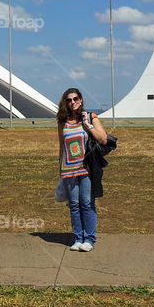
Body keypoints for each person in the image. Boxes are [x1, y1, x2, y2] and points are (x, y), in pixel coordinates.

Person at [57, 88, 107, 252]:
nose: (72, 102)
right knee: (74, 205)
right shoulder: (62, 122)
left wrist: (87, 125)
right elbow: (62, 146)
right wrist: (60, 169)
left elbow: (103, 139)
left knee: (86, 203)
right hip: (68, 169)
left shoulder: (91, 116)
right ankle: (78, 238)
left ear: (81, 100)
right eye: (69, 100)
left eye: (75, 99)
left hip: (86, 168)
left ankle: (89, 239)